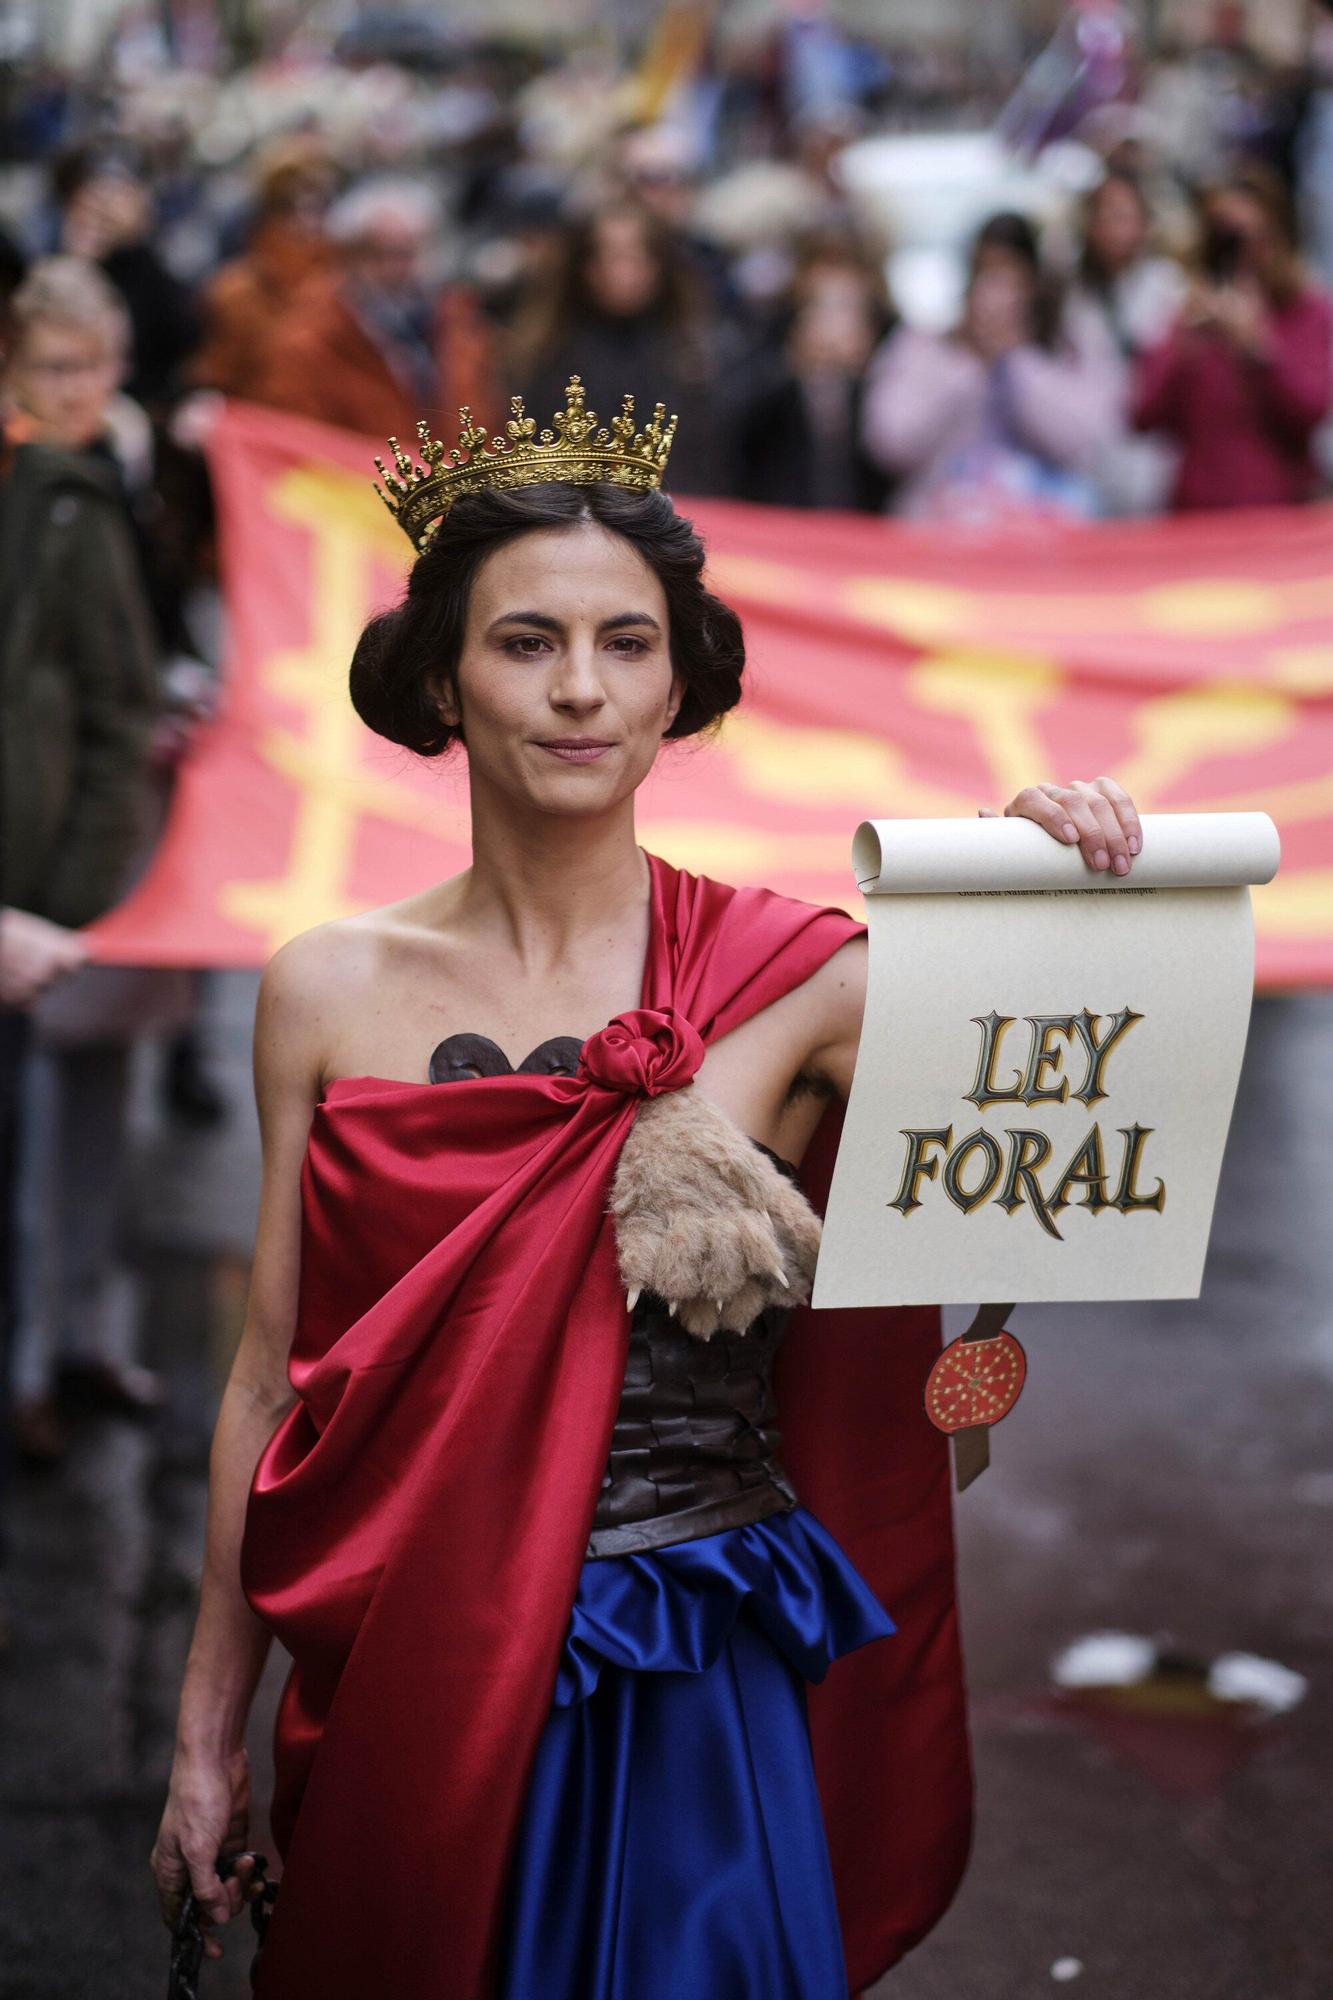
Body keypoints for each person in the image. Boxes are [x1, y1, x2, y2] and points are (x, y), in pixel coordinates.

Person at [148, 376, 1145, 1998]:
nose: (577, 691)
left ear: (681, 682)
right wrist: (204, 1744)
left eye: (624, 643)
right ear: (442, 680)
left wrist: (1038, 877)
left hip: (691, 1691)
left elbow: (1055, 1109)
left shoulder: (802, 976)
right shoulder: (319, 988)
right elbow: (269, 1382)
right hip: (406, 1677)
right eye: (524, 641)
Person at [861, 210, 1123, 523]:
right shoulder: (921, 346)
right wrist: (967, 365)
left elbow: (1090, 445)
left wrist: (1018, 361)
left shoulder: (1071, 346)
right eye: (986, 275)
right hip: (938, 537)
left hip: (1045, 543)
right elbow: (890, 444)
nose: (997, 297)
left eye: (1013, 281)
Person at [1132, 167, 1333, 510]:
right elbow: (1143, 415)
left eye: (1255, 238)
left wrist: (1259, 348)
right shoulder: (1188, 313)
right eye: (1226, 239)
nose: (1245, 256)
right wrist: (1186, 343)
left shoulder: (1308, 310)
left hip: (1281, 513)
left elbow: (1309, 412)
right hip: (1198, 514)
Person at [510, 200, 737, 494]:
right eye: (609, 257)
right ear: (583, 266)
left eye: (636, 257)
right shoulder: (545, 355)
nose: (622, 273)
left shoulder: (696, 356)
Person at [255, 176, 495, 439]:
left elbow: (485, 421)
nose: (410, 269)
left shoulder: (457, 325)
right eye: (390, 253)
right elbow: (299, 443)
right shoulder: (309, 340)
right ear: (351, 258)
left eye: (420, 250)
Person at [1069, 170, 1186, 516]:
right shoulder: (1072, 296)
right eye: (1104, 215)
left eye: (1124, 215)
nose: (1114, 228)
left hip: (1156, 453)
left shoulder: (1171, 288)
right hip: (1092, 458)